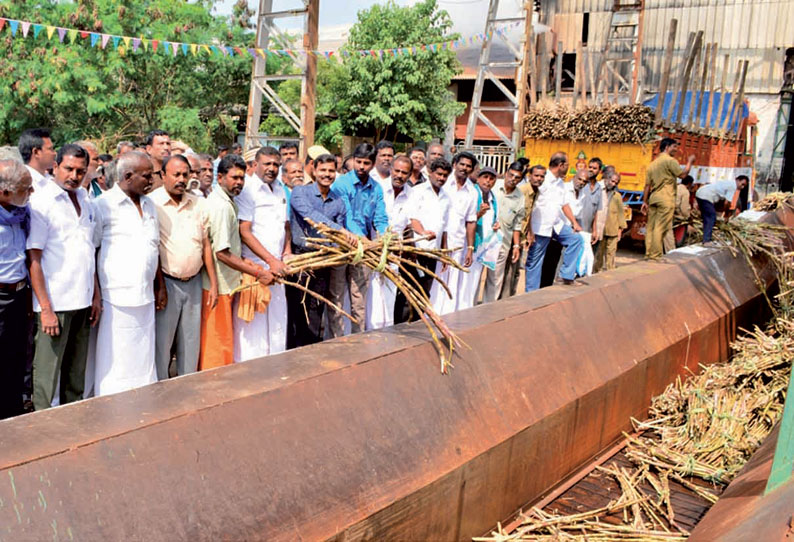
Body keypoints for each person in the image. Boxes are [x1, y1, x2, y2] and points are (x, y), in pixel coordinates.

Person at [27, 144, 100, 410]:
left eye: (80, 171)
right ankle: (43, 433)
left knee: (75, 375)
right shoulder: (41, 202)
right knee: (48, 377)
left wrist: (95, 295)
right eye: (68, 168)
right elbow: (34, 258)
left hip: (82, 300)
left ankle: (74, 425)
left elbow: (87, 251)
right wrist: (45, 308)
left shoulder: (84, 199)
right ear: (55, 166)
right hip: (55, 304)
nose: (74, 175)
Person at [92, 151, 165, 396]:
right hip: (116, 295)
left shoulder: (149, 204)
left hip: (145, 293)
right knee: (116, 353)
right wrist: (96, 293)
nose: (152, 181)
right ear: (127, 176)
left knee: (143, 351)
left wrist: (160, 285)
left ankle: (142, 397)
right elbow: (92, 251)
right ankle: (112, 401)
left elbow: (153, 247)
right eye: (146, 176)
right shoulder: (102, 205)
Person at [200, 154, 274, 370]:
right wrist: (258, 273)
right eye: (234, 178)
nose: (239, 183)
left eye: (242, 178)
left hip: (225, 283)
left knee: (222, 340)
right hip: (219, 286)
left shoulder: (226, 202)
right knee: (217, 343)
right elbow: (222, 253)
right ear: (220, 177)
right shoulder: (222, 206)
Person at [150, 155, 218, 380]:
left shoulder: (199, 203)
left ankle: (186, 393)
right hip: (166, 285)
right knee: (162, 345)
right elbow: (153, 249)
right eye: (176, 174)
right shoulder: (152, 204)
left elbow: (206, 244)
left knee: (190, 343)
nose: (181, 179)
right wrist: (159, 287)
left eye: (185, 174)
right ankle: (160, 394)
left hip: (194, 282)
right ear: (163, 175)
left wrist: (214, 284)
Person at [288, 154, 351, 347]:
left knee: (315, 313)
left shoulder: (338, 201)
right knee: (296, 313)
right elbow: (310, 215)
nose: (327, 174)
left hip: (324, 261)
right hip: (301, 260)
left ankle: (310, 358)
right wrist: (339, 230)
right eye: (323, 170)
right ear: (314, 170)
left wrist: (345, 241)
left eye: (331, 171)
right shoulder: (300, 193)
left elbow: (339, 237)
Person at [235, 147, 290, 361]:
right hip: (256, 267)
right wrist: (270, 260)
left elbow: (285, 226)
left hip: (278, 267)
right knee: (253, 328)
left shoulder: (280, 189)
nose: (272, 169)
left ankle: (275, 366)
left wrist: (287, 253)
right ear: (255, 165)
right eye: (267, 164)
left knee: (277, 321)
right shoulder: (247, 190)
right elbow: (245, 231)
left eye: (276, 165)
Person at [329, 143, 389, 336]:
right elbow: (346, 216)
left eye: (366, 163)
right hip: (341, 245)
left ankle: (358, 336)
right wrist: (364, 239)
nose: (362, 166)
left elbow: (380, 217)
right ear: (353, 160)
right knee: (336, 296)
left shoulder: (376, 188)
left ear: (373, 164)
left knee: (359, 297)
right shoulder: (341, 184)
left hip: (365, 250)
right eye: (359, 162)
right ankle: (336, 338)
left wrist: (383, 239)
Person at [0, 160, 33, 419]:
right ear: (5, 192)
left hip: (20, 295)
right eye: (26, 189)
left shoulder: (22, 214)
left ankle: (12, 414)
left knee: (17, 357)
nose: (31, 194)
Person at [524, 152, 584, 291]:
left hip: (556, 225)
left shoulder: (560, 183)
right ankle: (531, 292)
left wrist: (574, 222)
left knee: (575, 239)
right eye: (567, 165)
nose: (569, 168)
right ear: (561, 165)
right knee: (535, 261)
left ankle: (566, 276)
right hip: (540, 226)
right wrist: (529, 229)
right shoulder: (542, 179)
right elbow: (530, 203)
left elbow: (564, 204)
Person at [367, 155, 413, 330]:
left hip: (395, 254)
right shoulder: (377, 189)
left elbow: (411, 223)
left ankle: (385, 335)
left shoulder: (412, 194)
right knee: (372, 297)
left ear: (409, 175)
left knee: (389, 295)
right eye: (397, 171)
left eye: (404, 173)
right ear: (391, 169)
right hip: (373, 252)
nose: (400, 175)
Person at [430, 152, 478, 315]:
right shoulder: (442, 182)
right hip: (435, 242)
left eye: (468, 166)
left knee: (452, 282)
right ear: (455, 164)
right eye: (462, 164)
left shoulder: (472, 192)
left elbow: (471, 221)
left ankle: (447, 317)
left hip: (457, 243)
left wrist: (470, 248)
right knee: (434, 280)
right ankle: (431, 315)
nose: (464, 168)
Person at [641, 138, 695, 260]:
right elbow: (682, 175)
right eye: (674, 147)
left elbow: (647, 186)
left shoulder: (652, 164)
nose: (676, 150)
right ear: (667, 147)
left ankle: (648, 253)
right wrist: (690, 162)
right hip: (666, 198)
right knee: (661, 227)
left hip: (653, 198)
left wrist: (644, 201)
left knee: (651, 227)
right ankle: (655, 255)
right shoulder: (670, 161)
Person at [409, 158, 452, 301]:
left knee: (425, 292)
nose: (441, 178)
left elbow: (444, 226)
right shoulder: (417, 192)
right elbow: (412, 219)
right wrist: (422, 233)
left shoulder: (446, 198)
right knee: (410, 292)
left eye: (445, 175)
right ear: (430, 173)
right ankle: (404, 323)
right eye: (439, 174)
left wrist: (444, 252)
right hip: (415, 250)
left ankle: (419, 323)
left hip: (433, 253)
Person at [483, 162, 526, 303]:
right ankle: (469, 307)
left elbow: (517, 225)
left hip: (502, 243)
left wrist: (516, 246)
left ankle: (487, 309)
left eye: (517, 177)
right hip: (482, 238)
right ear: (506, 173)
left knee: (495, 279)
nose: (513, 179)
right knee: (475, 275)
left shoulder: (520, 198)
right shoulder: (493, 186)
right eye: (511, 175)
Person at [470, 167, 500, 304]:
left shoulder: (492, 198)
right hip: (471, 244)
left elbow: (493, 218)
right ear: (478, 178)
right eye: (485, 177)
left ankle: (473, 306)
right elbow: (466, 221)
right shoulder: (472, 193)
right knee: (469, 279)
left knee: (476, 279)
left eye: (491, 178)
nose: (488, 181)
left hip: (485, 245)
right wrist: (479, 214)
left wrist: (495, 225)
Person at [695, 175, 748, 245]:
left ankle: (703, 237)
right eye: (742, 184)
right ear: (738, 180)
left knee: (706, 217)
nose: (742, 187)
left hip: (700, 193)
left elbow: (721, 201)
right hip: (706, 196)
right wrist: (726, 215)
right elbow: (727, 203)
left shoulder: (729, 182)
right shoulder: (733, 186)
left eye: (744, 186)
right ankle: (706, 241)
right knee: (711, 217)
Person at [600, 172, 628, 271]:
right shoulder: (600, 192)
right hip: (601, 229)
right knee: (599, 254)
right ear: (607, 179)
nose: (614, 184)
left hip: (613, 229)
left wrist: (620, 230)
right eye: (612, 181)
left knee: (611, 254)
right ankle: (596, 272)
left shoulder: (617, 196)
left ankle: (610, 271)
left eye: (616, 182)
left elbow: (621, 214)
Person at [663, 175, 694, 252]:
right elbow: (684, 208)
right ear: (689, 184)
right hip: (669, 211)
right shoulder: (685, 192)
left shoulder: (674, 187)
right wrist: (687, 217)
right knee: (668, 232)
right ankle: (671, 251)